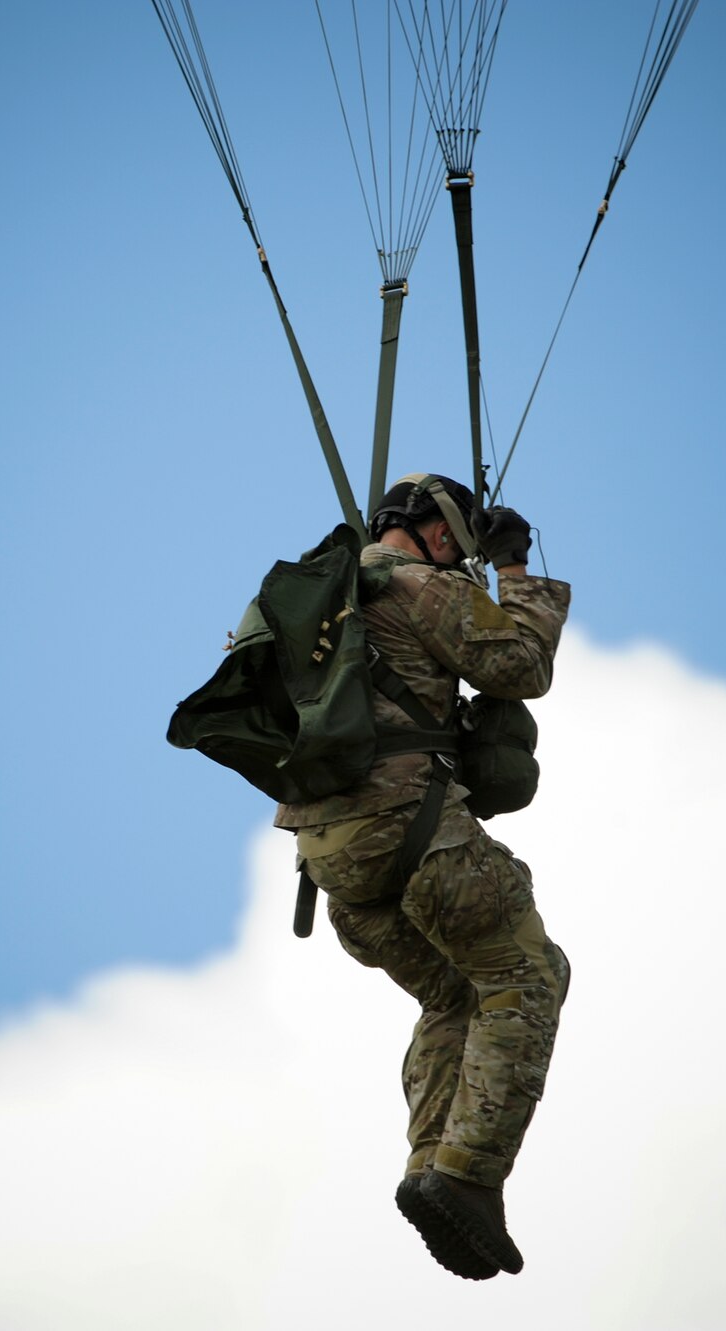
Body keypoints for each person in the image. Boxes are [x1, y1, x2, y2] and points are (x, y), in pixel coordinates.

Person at [275, 473, 572, 1279]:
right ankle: (469, 1176)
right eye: (462, 539)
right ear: (438, 532)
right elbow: (519, 663)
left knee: (455, 993)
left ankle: (430, 1169)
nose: (461, 553)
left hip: (335, 868)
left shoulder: (332, 599)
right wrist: (513, 571)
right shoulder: (415, 585)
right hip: (415, 840)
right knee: (528, 974)